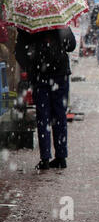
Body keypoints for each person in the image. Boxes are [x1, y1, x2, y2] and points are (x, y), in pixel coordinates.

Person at [15, 28, 76, 170]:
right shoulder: (60, 22)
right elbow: (71, 46)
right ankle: (61, 156)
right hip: (60, 74)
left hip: (39, 75)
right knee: (60, 114)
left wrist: (31, 65)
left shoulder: (28, 27)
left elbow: (19, 53)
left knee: (43, 116)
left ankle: (45, 158)